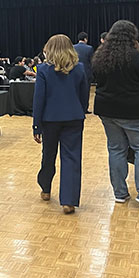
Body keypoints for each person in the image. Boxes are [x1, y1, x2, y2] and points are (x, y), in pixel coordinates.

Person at [93, 20, 139, 209]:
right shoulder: (135, 57)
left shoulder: (100, 56)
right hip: (134, 111)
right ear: (131, 36)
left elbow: (96, 80)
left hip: (107, 110)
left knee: (116, 149)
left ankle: (119, 192)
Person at [33, 34, 89, 214]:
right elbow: (84, 94)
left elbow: (38, 99)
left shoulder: (42, 70)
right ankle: (69, 201)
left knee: (48, 155)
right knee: (72, 158)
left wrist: (36, 125)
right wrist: (80, 110)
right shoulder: (79, 68)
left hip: (50, 120)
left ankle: (46, 188)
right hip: (74, 117)